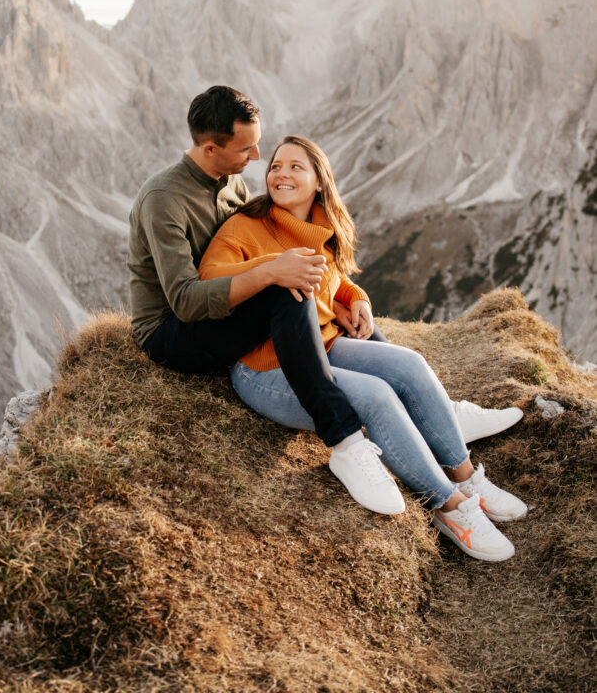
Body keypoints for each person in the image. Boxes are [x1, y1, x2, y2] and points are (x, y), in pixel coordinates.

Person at [128, 85, 522, 519]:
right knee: (285, 285)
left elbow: (291, 252)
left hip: (229, 312)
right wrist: (272, 270)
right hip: (173, 332)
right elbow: (185, 299)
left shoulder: (230, 181)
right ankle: (346, 439)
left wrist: (352, 296)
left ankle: (434, 412)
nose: (258, 157)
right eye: (248, 148)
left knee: (374, 342)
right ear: (209, 147)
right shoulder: (164, 198)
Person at [198, 135, 528, 561]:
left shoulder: (320, 225)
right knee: (376, 396)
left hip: (324, 345)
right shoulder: (247, 225)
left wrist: (358, 300)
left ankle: (466, 478)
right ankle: (449, 506)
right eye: (276, 165)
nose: (281, 173)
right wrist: (272, 268)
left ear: (319, 182)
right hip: (265, 369)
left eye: (296, 167)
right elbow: (211, 278)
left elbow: (335, 280)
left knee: (410, 364)